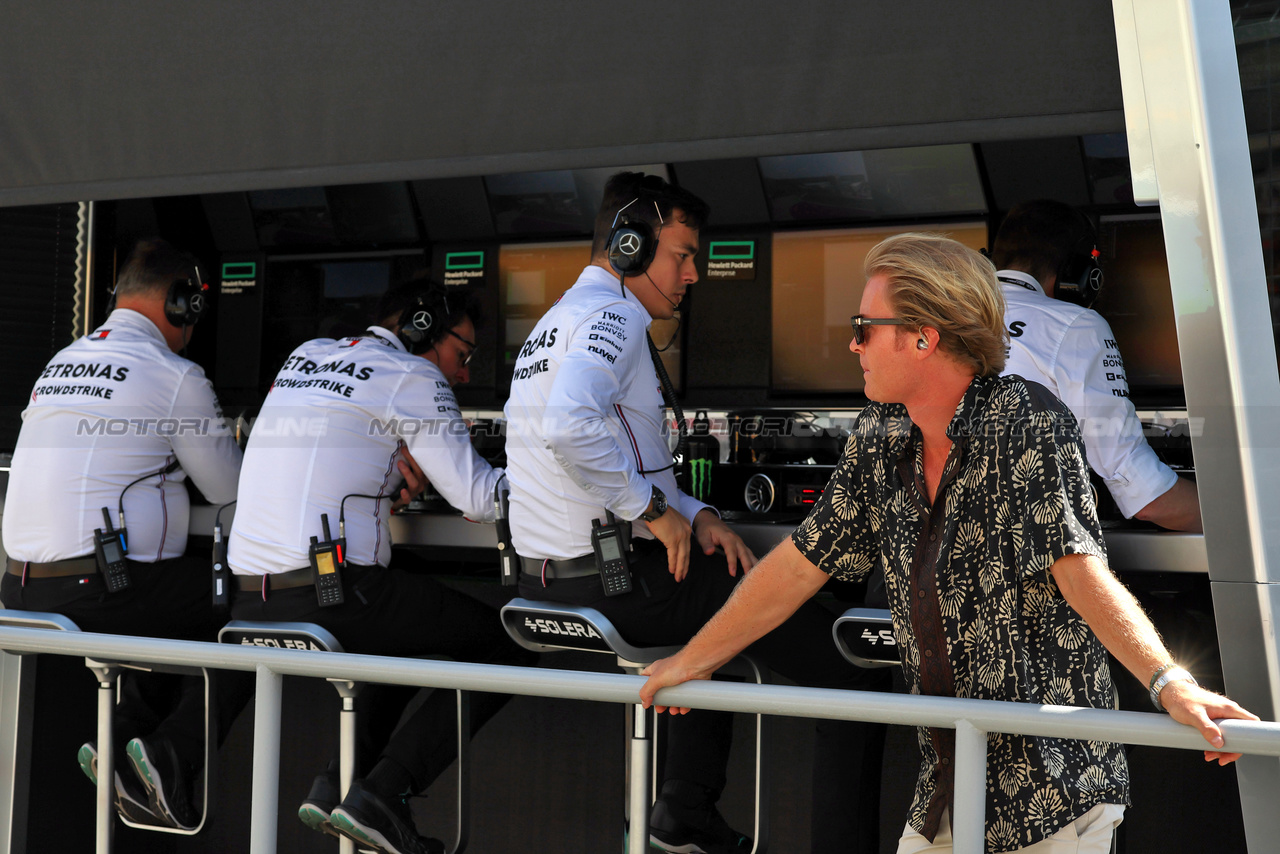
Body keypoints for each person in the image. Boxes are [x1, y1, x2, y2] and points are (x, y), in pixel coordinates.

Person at [639, 233, 1257, 854]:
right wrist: (692, 660)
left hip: (1055, 792)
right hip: (949, 782)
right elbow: (799, 567)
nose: (852, 344)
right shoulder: (880, 432)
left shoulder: (1025, 422)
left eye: (864, 327)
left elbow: (1081, 573)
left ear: (922, 338)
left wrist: (1170, 683)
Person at [503, 171, 889, 854]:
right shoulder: (615, 316)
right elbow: (570, 429)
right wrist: (654, 512)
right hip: (620, 584)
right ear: (629, 246)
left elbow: (619, 450)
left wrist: (695, 512)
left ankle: (683, 803)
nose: (694, 274)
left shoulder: (554, 322)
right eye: (681, 255)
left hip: (549, 581)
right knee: (851, 661)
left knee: (725, 585)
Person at [227, 279, 535, 854]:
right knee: (510, 646)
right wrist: (559, 481)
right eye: (462, 354)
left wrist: (394, 466)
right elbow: (480, 497)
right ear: (422, 330)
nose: (464, 374)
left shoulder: (307, 354)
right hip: (331, 593)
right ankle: (384, 793)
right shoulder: (412, 378)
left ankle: (337, 784)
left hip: (250, 595)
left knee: (408, 627)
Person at [1, 237, 252, 830]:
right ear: (181, 303)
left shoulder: (60, 361)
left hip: (20, 591)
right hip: (95, 588)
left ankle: (121, 745)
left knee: (170, 601)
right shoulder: (173, 373)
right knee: (257, 615)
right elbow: (226, 489)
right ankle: (169, 754)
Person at [993, 199, 1201, 531]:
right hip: (1024, 559)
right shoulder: (1074, 325)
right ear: (1080, 275)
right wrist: (1251, 517)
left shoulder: (939, 323)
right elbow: (1144, 494)